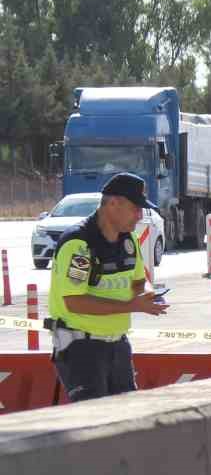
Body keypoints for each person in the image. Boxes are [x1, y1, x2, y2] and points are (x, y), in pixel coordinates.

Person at [47, 172, 169, 401]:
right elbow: (74, 301)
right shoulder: (79, 244)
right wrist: (132, 305)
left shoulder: (128, 240)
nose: (140, 215)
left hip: (118, 345)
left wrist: (148, 294)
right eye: (136, 208)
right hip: (82, 348)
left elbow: (138, 280)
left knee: (126, 423)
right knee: (95, 422)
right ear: (114, 203)